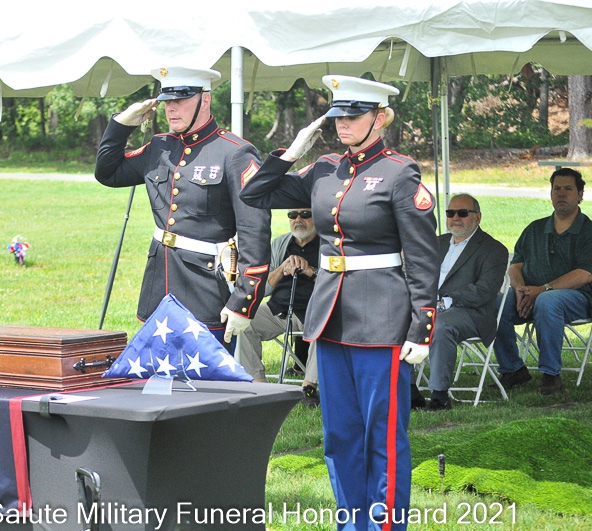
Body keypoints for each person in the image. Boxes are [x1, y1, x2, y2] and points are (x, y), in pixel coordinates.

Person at [240, 75, 438, 531]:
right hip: (330, 317)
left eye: (353, 115)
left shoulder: (400, 173)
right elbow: (255, 194)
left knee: (383, 439)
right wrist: (291, 153)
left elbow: (423, 256)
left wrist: (423, 324)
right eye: (337, 116)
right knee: (340, 436)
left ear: (381, 118)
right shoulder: (324, 169)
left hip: (382, 318)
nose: (342, 124)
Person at [94, 66, 271, 349]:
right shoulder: (160, 147)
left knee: (206, 376)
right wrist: (122, 124)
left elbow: (255, 232)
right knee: (157, 373)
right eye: (167, 101)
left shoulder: (234, 152)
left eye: (181, 99)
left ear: (205, 99)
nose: (171, 108)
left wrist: (243, 301)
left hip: (206, 291)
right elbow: (107, 172)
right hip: (159, 287)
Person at [493, 167, 592, 395]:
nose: (561, 193)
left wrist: (542, 290)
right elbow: (515, 265)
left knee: (548, 301)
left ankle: (550, 374)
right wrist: (519, 288)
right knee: (496, 303)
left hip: (578, 297)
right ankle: (512, 369)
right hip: (530, 294)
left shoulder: (588, 231)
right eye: (556, 189)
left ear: (580, 195)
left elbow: (585, 274)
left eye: (568, 189)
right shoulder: (534, 229)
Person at [419, 194, 508, 411]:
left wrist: (445, 301)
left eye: (462, 213)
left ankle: (439, 396)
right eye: (451, 213)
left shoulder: (493, 250)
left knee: (440, 325)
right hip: (429, 306)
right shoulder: (437, 243)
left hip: (470, 312)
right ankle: (410, 391)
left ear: (478, 217)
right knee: (397, 319)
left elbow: (484, 291)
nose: (455, 218)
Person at [235, 207, 320, 406]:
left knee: (325, 326)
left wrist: (310, 271)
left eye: (305, 214)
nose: (298, 219)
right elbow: (263, 290)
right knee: (244, 322)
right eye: (292, 215)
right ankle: (258, 385)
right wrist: (282, 268)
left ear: (316, 216)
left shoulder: (326, 245)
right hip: (278, 309)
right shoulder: (280, 244)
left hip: (314, 311)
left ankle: (309, 387)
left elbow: (335, 285)